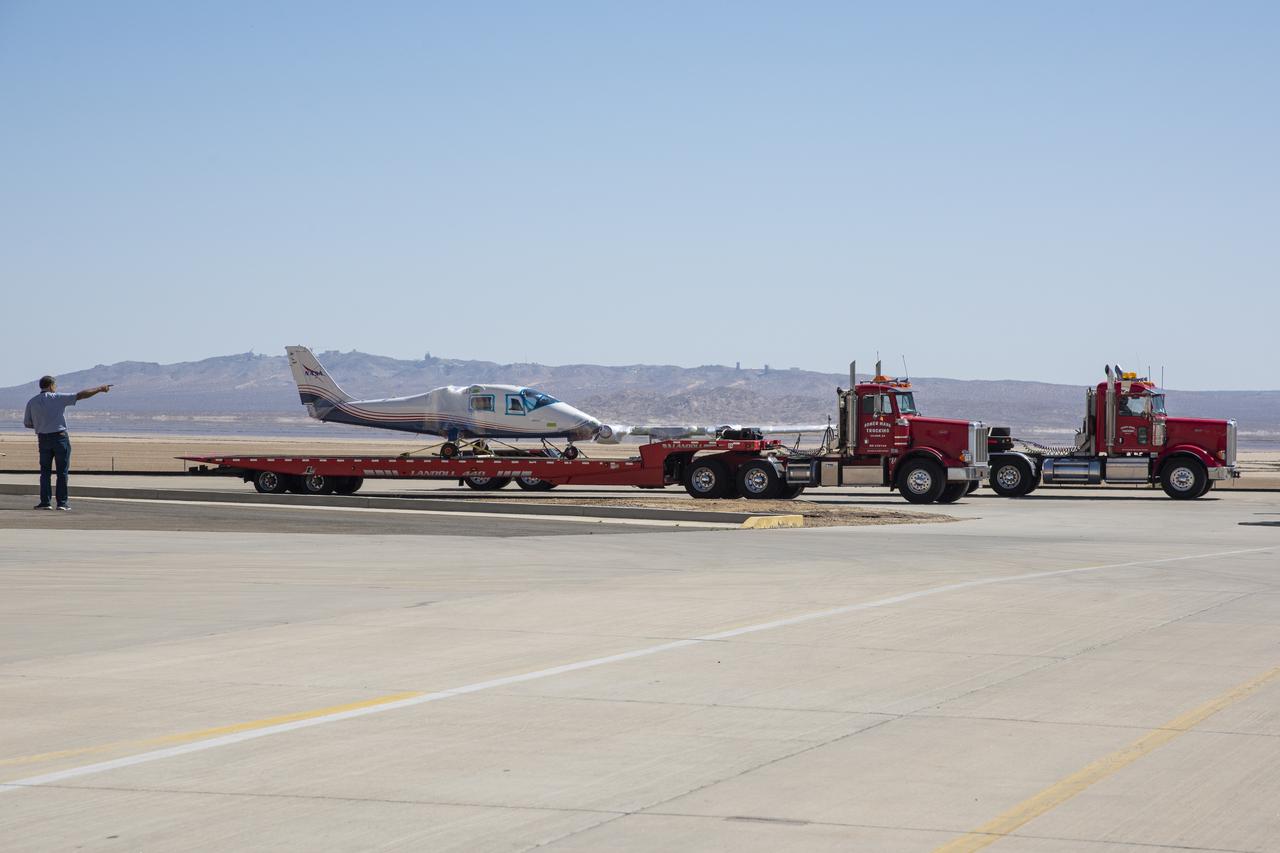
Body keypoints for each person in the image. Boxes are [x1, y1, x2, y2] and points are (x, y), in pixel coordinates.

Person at [23, 376, 112, 510]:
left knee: (45, 472)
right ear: (52, 386)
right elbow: (80, 395)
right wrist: (99, 389)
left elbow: (28, 424)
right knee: (62, 472)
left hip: (43, 438)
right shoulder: (57, 397)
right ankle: (62, 503)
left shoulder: (32, 402)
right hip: (59, 438)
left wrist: (42, 425)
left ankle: (45, 502)